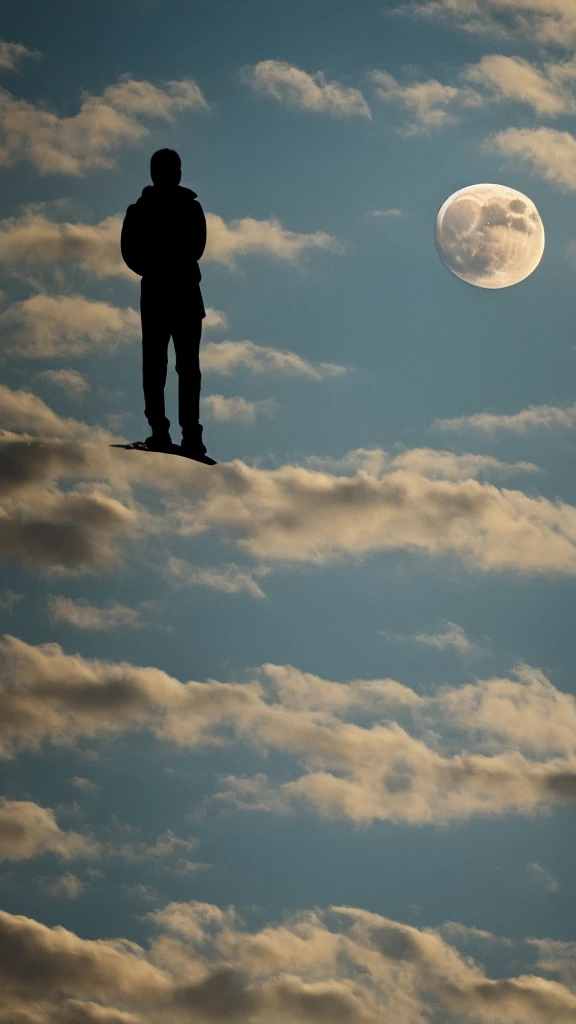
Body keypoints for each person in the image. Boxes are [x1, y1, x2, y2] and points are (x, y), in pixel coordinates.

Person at [121, 148, 215, 463]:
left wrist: (161, 263)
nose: (171, 174)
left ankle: (190, 433)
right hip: (161, 294)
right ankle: (160, 430)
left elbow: (197, 246)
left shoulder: (190, 208)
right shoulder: (140, 210)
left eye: (175, 168)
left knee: (187, 368)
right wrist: (160, 265)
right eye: (166, 169)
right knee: (157, 366)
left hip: (184, 293)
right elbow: (131, 252)